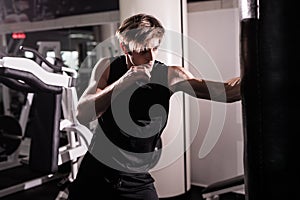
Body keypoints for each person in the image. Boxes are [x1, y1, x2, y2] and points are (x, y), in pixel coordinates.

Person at [66, 13, 241, 200]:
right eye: (143, 51)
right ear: (125, 47)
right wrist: (122, 83)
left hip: (136, 181)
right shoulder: (107, 67)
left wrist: (261, 71)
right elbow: (83, 114)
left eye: (155, 48)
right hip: (94, 173)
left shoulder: (169, 76)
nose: (150, 57)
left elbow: (226, 93)